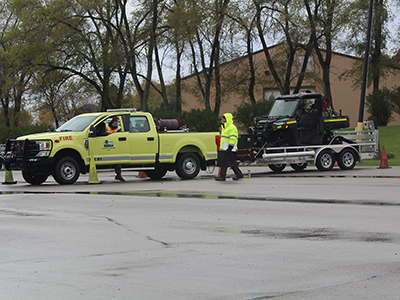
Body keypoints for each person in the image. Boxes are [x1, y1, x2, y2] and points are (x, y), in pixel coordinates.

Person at [215, 113, 244, 181]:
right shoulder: (225, 127)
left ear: (228, 118)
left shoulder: (231, 127)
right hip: (225, 148)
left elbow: (233, 138)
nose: (223, 120)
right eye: (223, 118)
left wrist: (230, 147)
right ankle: (238, 174)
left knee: (228, 163)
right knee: (228, 162)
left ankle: (223, 176)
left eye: (224, 118)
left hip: (229, 149)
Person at [105, 117, 125, 182]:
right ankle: (118, 174)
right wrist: (105, 133)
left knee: (118, 160)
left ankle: (118, 174)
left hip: (115, 145)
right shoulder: (106, 126)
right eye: (118, 122)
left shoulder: (119, 128)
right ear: (114, 122)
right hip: (107, 144)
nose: (119, 123)